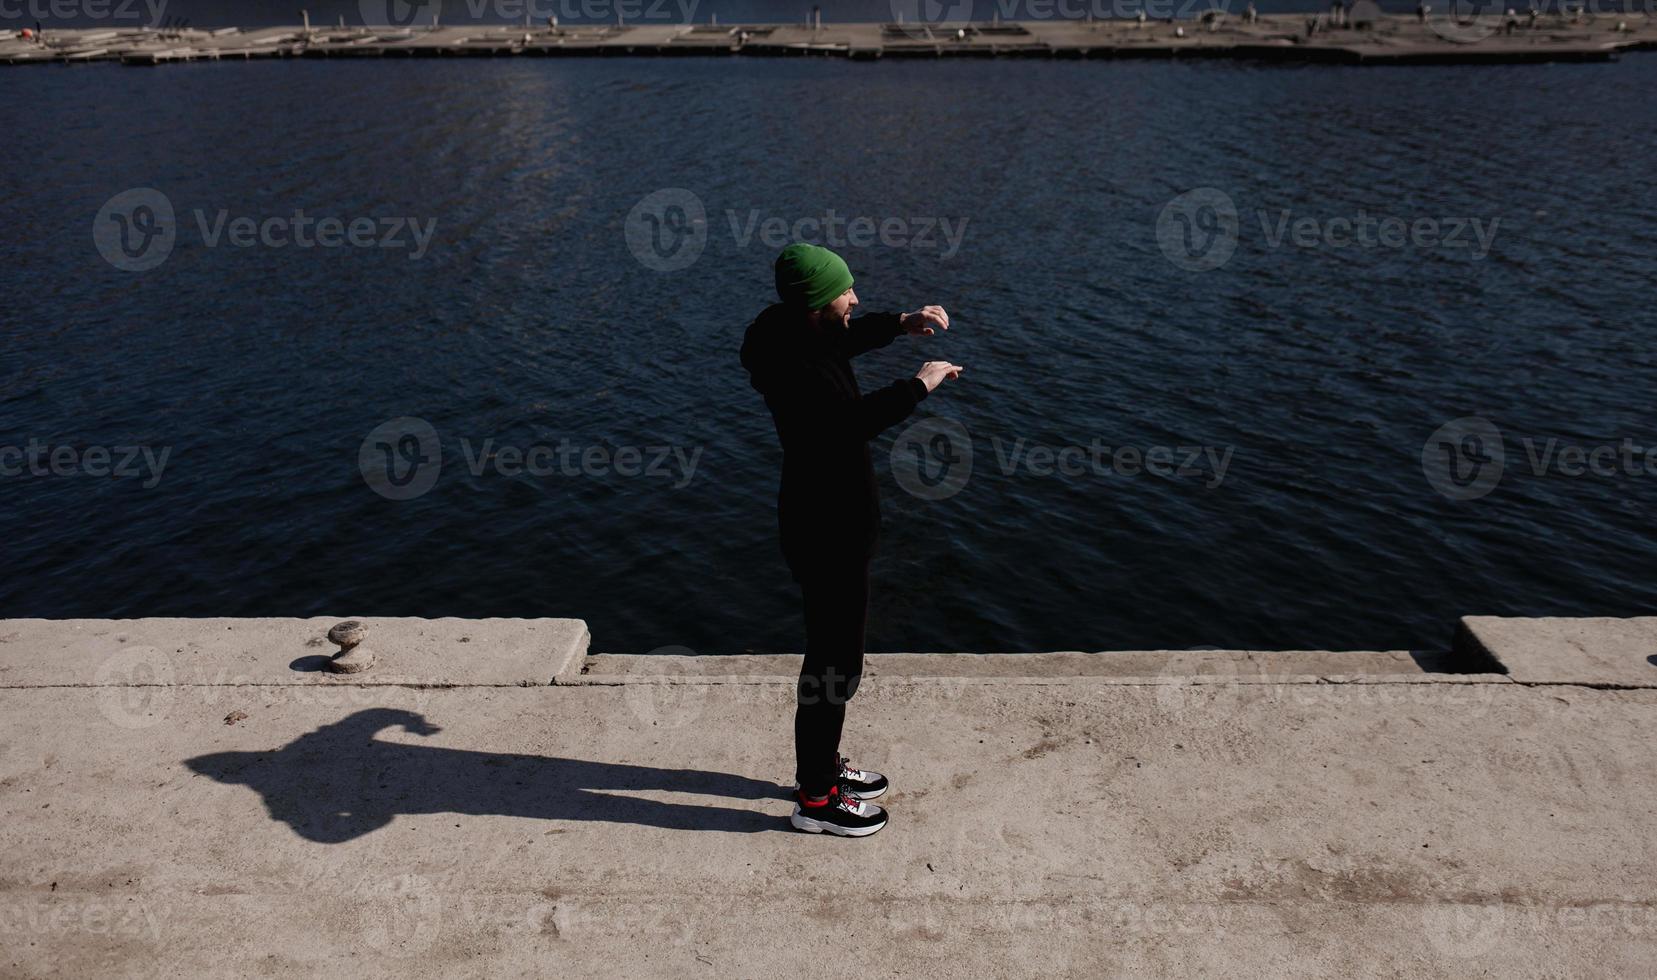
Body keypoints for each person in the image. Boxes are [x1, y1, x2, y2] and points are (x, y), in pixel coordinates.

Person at [739, 243, 962, 837]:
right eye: (846, 291)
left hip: (821, 517)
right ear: (816, 304)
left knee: (836, 655)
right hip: (830, 527)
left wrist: (897, 325)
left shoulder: (785, 332)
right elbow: (852, 423)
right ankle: (816, 799)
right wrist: (921, 383)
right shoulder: (804, 370)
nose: (855, 298)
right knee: (834, 663)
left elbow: (836, 339)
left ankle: (821, 767)